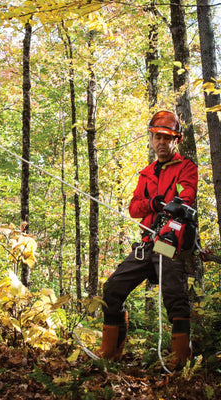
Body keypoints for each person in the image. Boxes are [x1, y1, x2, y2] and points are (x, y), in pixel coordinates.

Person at [95, 111, 198, 369]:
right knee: (112, 289)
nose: (161, 142)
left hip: (169, 241)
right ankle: (110, 353)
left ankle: (180, 360)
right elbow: (133, 208)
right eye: (157, 137)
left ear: (176, 141)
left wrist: (174, 204)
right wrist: (152, 203)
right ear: (151, 140)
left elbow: (187, 196)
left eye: (167, 138)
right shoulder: (146, 174)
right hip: (146, 241)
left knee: (174, 296)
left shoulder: (186, 168)